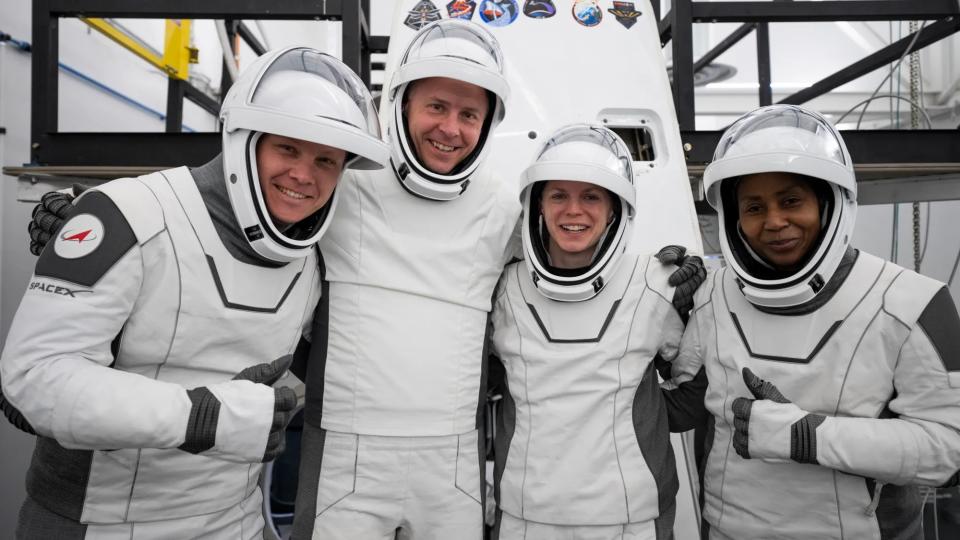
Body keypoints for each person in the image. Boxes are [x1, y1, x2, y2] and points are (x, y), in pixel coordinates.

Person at [0, 47, 389, 538]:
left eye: (327, 161)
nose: (304, 176)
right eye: (287, 148)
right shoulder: (128, 215)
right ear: (243, 139)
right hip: (97, 524)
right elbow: (34, 380)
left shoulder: (309, 262)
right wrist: (202, 417)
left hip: (236, 520)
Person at [671, 104, 960, 539]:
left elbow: (950, 452)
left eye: (791, 201)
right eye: (753, 207)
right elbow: (680, 409)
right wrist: (649, 319)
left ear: (829, 202)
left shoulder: (913, 301)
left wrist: (808, 437)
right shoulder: (713, 294)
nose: (773, 221)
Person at [489, 124, 706, 540]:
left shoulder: (656, 284)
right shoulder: (504, 290)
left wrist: (694, 305)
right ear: (538, 205)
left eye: (591, 196)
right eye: (558, 195)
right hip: (525, 517)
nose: (573, 210)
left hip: (633, 520)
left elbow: (692, 400)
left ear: (614, 209)